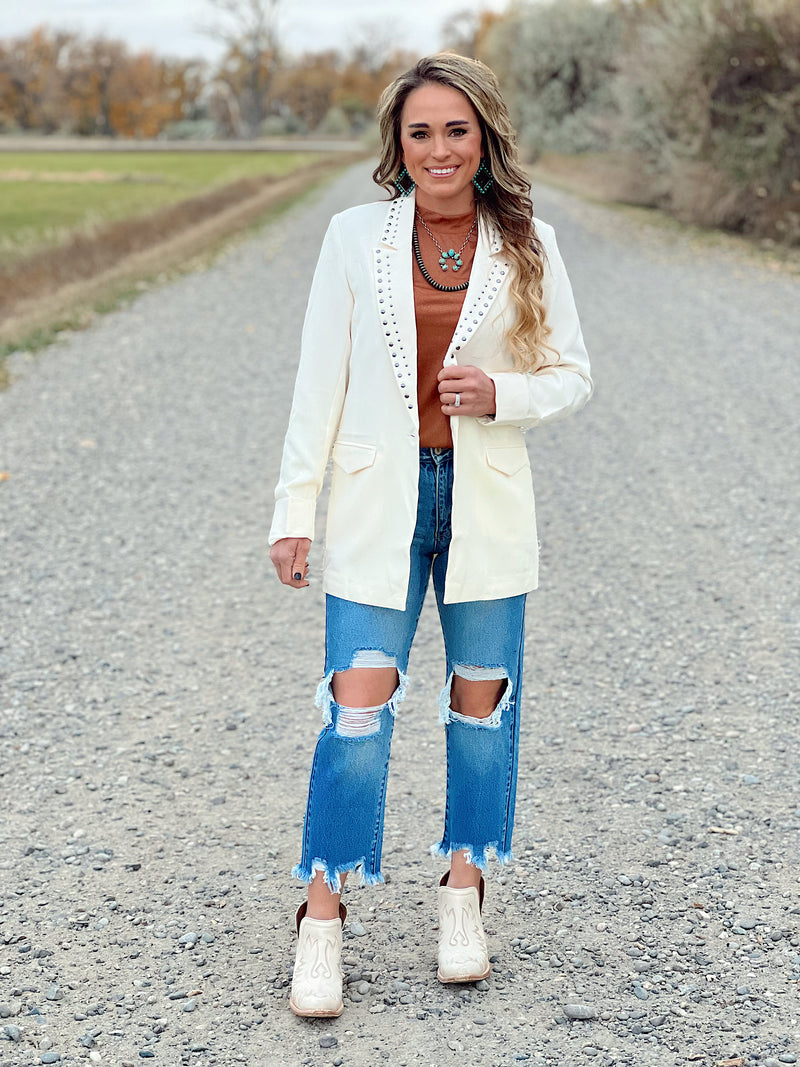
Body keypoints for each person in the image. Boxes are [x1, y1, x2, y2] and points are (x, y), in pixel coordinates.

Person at [268, 52, 592, 1018]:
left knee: (482, 711)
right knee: (356, 707)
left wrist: (503, 392)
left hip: (485, 500)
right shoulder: (352, 237)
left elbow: (572, 373)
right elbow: (316, 378)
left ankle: (464, 890)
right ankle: (321, 911)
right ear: (397, 145)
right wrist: (295, 509)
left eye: (457, 130)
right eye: (421, 132)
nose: (440, 148)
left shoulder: (526, 240)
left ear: (484, 136)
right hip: (379, 502)